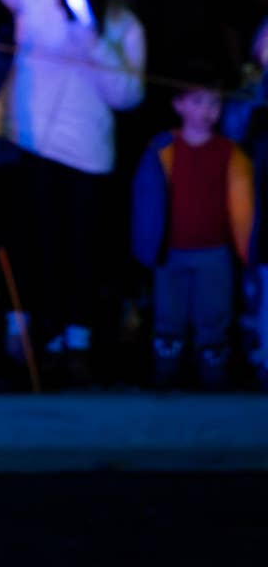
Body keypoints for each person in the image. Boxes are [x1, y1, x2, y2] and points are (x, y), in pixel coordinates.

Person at [0, 0, 146, 386]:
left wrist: (93, 43)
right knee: (32, 242)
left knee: (78, 248)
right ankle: (33, 335)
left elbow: (128, 95)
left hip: (84, 152)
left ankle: (78, 341)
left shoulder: (122, 23)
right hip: (29, 140)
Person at [130, 66, 253, 389]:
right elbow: (145, 199)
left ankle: (214, 381)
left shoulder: (230, 153)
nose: (207, 111)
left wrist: (246, 250)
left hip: (215, 252)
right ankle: (165, 378)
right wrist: (146, 246)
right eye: (198, 101)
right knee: (168, 317)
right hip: (171, 250)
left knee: (213, 317)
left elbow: (242, 208)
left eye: (214, 104)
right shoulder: (163, 149)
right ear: (179, 104)